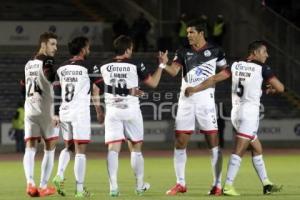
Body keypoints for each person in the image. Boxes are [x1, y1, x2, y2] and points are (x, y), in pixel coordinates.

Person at [185, 40, 284, 196]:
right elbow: (281, 87)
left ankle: (266, 183)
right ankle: (228, 186)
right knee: (239, 150)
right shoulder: (262, 68)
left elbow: (213, 79)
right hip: (249, 113)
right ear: (255, 52)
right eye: (264, 51)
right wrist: (271, 88)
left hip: (236, 112)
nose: (267, 55)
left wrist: (194, 89)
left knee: (257, 148)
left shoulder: (235, 65)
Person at [160, 20, 226, 196]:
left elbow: (226, 72)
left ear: (201, 33)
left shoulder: (216, 51)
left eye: (191, 32)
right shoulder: (183, 52)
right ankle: (180, 183)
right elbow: (174, 71)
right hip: (186, 101)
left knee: (213, 143)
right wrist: (163, 64)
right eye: (187, 32)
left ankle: (217, 185)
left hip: (206, 101)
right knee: (180, 142)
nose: (187, 35)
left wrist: (210, 81)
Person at [99, 35, 164, 197]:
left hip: (112, 110)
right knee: (135, 148)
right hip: (131, 110)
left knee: (113, 149)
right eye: (131, 48)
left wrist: (98, 110)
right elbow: (153, 83)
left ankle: (113, 187)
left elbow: (96, 88)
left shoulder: (104, 66)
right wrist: (161, 64)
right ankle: (139, 185)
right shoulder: (135, 64)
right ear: (127, 49)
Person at [51, 36, 111, 197]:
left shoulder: (61, 68)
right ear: (83, 49)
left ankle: (60, 174)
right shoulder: (89, 66)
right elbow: (102, 86)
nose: (89, 50)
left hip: (64, 112)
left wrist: (55, 113)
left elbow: (56, 92)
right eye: (88, 47)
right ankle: (79, 190)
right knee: (80, 151)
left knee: (69, 146)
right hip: (80, 113)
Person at [21, 32, 59, 197]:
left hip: (30, 110)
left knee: (30, 148)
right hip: (46, 112)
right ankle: (43, 186)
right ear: (43, 45)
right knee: (50, 148)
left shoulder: (28, 64)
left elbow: (23, 87)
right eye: (52, 44)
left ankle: (30, 184)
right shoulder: (47, 61)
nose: (55, 48)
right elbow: (52, 78)